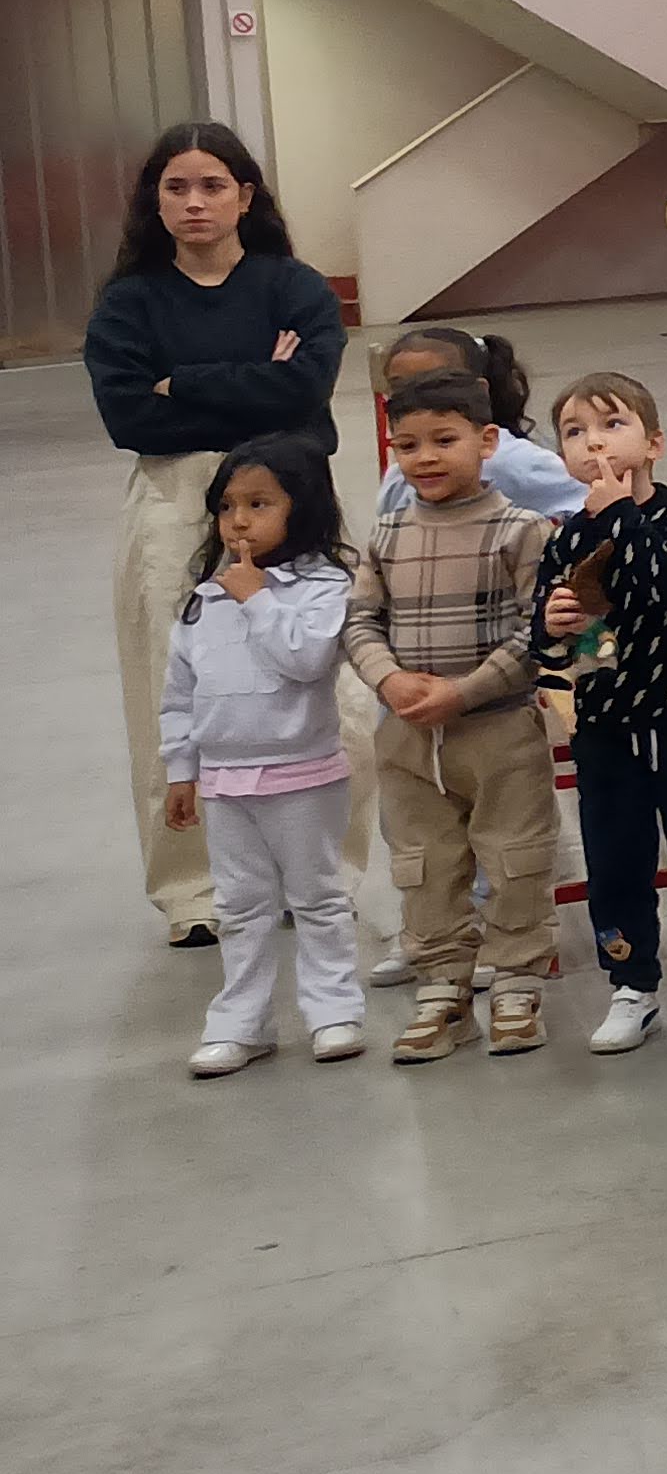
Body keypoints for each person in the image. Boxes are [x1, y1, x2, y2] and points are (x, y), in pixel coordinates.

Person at [84, 120, 346, 944]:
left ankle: (321, 878)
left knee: (321, 679)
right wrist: (258, 380)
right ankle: (194, 891)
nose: (195, 202)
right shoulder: (127, 303)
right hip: (175, 496)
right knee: (177, 686)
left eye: (212, 185)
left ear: (245, 195)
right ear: (155, 201)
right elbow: (130, 417)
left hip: (293, 489)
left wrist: (183, 383)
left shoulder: (294, 287)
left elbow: (306, 391)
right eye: (177, 187)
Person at [349, 365, 557, 1062]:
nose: (425, 458)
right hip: (407, 738)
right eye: (407, 446)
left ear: (487, 440)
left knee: (516, 856)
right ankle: (442, 990)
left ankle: (517, 986)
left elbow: (541, 633)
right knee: (423, 864)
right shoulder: (385, 535)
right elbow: (359, 621)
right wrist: (388, 680)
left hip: (500, 732)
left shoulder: (521, 531)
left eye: (444, 440)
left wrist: (465, 692)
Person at [534, 371, 667, 1054]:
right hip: (606, 726)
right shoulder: (565, 537)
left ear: (654, 443)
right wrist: (553, 622)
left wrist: (621, 513)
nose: (594, 443)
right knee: (615, 860)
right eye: (575, 432)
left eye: (612, 424)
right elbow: (545, 643)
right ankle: (631, 984)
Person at [161, 434, 364, 1074]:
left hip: (303, 775)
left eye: (259, 504)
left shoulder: (324, 585)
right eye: (227, 506)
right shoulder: (206, 599)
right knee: (239, 906)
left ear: (301, 507)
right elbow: (179, 693)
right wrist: (181, 770)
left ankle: (334, 1012)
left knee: (317, 898)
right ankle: (241, 1024)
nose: (239, 521)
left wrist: (258, 597)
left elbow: (305, 660)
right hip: (225, 782)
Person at [370, 327, 580, 523]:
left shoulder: (512, 460)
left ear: (480, 389)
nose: (415, 399)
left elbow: (586, 505)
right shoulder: (397, 479)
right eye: (399, 387)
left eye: (438, 384)